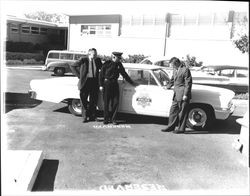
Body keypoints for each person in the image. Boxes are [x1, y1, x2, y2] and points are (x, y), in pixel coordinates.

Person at [99, 52, 137, 125]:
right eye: (118, 58)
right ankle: (106, 119)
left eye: (120, 58)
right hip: (107, 84)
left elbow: (124, 74)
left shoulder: (119, 64)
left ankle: (113, 119)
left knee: (115, 102)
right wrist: (101, 85)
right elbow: (101, 75)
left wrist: (132, 82)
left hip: (115, 84)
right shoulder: (107, 63)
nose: (119, 59)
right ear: (113, 57)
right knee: (106, 102)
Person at [70, 48, 102, 123]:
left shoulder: (97, 60)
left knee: (93, 100)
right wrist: (79, 76)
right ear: (89, 54)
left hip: (94, 82)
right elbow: (72, 66)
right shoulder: (83, 59)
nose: (95, 56)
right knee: (83, 100)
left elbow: (102, 68)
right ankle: (84, 117)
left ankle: (92, 116)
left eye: (96, 54)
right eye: (94, 54)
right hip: (85, 82)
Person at [161, 57, 192, 134]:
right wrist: (167, 86)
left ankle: (181, 129)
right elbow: (172, 80)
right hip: (176, 94)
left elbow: (188, 84)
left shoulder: (185, 70)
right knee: (173, 111)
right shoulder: (175, 69)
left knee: (182, 113)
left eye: (172, 65)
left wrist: (185, 94)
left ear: (176, 63)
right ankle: (170, 127)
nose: (171, 66)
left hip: (183, 95)